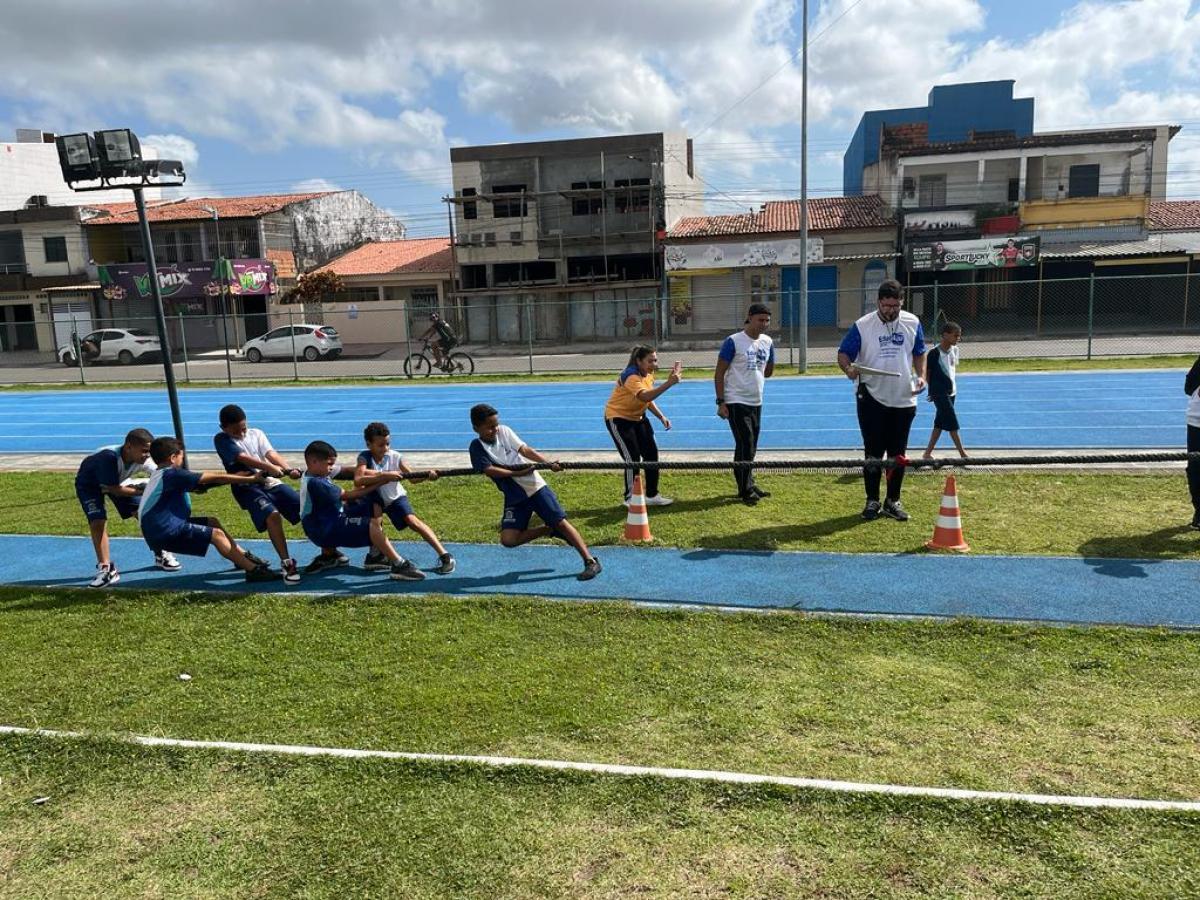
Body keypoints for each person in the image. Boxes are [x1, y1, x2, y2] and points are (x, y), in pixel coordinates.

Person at [469, 403, 601, 580]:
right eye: (489, 427)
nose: (495, 429)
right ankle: (547, 530)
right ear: (476, 428)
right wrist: (516, 472)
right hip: (514, 496)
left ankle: (590, 561)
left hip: (534, 486)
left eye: (496, 424)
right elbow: (489, 470)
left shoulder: (504, 431)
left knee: (561, 522)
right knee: (508, 540)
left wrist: (546, 463)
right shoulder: (476, 447)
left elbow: (524, 449)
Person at [837, 279, 927, 522]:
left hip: (903, 399)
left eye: (895, 306)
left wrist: (921, 377)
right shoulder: (863, 325)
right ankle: (872, 500)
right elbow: (844, 354)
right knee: (873, 452)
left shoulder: (912, 322)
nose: (890, 311)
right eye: (886, 306)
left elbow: (919, 352)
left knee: (898, 454)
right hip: (872, 398)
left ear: (902, 302)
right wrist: (849, 369)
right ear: (878, 302)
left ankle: (892, 500)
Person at [138, 437, 279, 583]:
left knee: (212, 522)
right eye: (182, 456)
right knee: (216, 535)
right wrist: (251, 479)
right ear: (173, 458)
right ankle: (253, 571)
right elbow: (214, 478)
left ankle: (241, 557)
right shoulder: (172, 474)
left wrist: (236, 477)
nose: (182, 460)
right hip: (164, 531)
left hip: (158, 529)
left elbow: (202, 486)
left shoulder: (162, 474)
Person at [300, 440, 426, 581]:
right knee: (371, 524)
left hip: (324, 522)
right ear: (314, 461)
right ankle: (399, 564)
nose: (332, 468)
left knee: (370, 504)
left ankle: (370, 555)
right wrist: (381, 480)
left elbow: (347, 471)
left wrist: (377, 473)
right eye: (329, 464)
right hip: (322, 530)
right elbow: (349, 495)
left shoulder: (313, 472)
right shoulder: (317, 483)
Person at [213, 404, 309, 585]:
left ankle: (329, 552)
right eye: (235, 431)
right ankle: (287, 563)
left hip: (270, 483)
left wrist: (288, 469)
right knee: (272, 515)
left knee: (306, 508)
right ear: (223, 428)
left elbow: (270, 453)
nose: (241, 434)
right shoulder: (221, 439)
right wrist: (269, 467)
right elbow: (242, 457)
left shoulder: (256, 433)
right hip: (247, 487)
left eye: (243, 428)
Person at [75, 428, 177, 588]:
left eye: (149, 452)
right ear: (129, 447)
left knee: (143, 514)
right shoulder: (108, 457)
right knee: (97, 522)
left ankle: (161, 552)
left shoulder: (146, 460)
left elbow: (166, 475)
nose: (147, 455)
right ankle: (106, 569)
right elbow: (114, 489)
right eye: (144, 451)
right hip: (90, 485)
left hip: (118, 481)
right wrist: (144, 490)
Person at [354, 421, 456, 574]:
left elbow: (412, 478)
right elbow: (358, 479)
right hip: (375, 499)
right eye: (381, 445)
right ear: (369, 444)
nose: (386, 448)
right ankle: (376, 555)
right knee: (375, 523)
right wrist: (384, 475)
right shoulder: (364, 457)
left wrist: (428, 476)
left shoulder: (396, 457)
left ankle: (445, 555)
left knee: (412, 521)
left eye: (388, 443)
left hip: (395, 497)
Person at [603, 346, 682, 507]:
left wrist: (661, 416)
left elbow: (647, 400)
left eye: (655, 360)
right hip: (619, 418)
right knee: (632, 457)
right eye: (650, 360)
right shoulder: (631, 376)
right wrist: (669, 383)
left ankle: (652, 495)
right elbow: (644, 395)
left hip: (639, 417)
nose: (654, 364)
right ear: (638, 361)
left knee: (651, 454)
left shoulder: (648, 374)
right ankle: (630, 497)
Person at [714, 302, 775, 505]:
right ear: (749, 317)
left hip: (756, 400)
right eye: (760, 320)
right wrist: (721, 401)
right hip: (735, 400)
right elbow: (720, 371)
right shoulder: (733, 341)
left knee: (752, 445)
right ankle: (744, 489)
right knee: (745, 442)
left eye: (767, 320)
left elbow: (767, 370)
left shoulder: (767, 342)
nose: (764, 324)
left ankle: (749, 482)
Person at [922, 322, 967, 460]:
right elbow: (927, 373)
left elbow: (952, 370)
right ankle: (963, 454)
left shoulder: (955, 350)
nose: (957, 339)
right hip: (939, 392)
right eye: (955, 335)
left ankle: (927, 453)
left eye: (959, 336)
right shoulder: (934, 353)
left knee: (940, 422)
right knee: (952, 421)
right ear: (945, 335)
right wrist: (931, 391)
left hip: (951, 391)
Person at [1185, 354, 1200, 529]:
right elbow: (1188, 387)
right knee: (1195, 468)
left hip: (1196, 420)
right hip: (1197, 420)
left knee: (1196, 468)